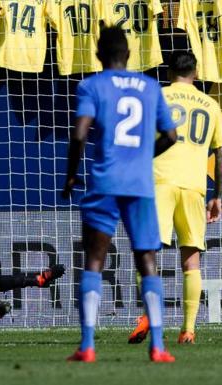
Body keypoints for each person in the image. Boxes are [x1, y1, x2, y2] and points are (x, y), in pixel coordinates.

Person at [62, 26, 178, 363]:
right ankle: (157, 345)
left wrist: (71, 176)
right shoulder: (150, 86)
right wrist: (143, 158)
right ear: (128, 55)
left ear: (98, 55)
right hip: (140, 185)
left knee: (95, 261)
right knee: (148, 262)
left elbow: (80, 133)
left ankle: (87, 346)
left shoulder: (91, 85)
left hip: (104, 183)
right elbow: (170, 136)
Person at [128, 51, 222, 345]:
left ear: (169, 73)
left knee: (147, 253)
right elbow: (219, 154)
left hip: (158, 181)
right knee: (191, 260)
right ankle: (188, 330)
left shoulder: (156, 96)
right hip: (194, 186)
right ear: (195, 73)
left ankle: (150, 316)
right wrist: (217, 195)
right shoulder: (212, 105)